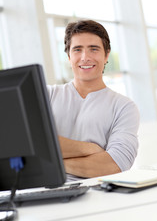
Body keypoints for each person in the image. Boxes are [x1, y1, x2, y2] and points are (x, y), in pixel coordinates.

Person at [47, 20, 140, 181]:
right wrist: (88, 149)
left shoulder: (124, 107)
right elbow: (24, 146)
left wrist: (50, 161)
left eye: (93, 49)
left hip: (97, 196)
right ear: (69, 57)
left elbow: (114, 165)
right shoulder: (47, 95)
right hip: (42, 191)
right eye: (77, 49)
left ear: (106, 55)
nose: (85, 57)